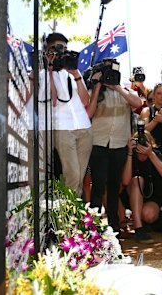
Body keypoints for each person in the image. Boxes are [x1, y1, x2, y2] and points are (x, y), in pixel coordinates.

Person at [86, 60, 143, 231]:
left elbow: (138, 104)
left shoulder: (126, 91)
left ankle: (113, 226)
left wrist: (117, 87)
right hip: (98, 143)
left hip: (119, 144)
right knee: (97, 185)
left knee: (114, 186)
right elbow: (89, 111)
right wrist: (97, 86)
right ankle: (93, 228)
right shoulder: (93, 91)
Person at [39, 32, 92, 195]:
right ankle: (68, 216)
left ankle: (73, 216)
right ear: (48, 51)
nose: (62, 53)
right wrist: (49, 69)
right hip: (63, 128)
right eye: (58, 49)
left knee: (79, 177)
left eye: (65, 49)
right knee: (72, 176)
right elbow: (52, 100)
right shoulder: (43, 75)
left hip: (84, 128)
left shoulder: (74, 71)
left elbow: (85, 101)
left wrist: (76, 74)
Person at [122, 131, 162, 243]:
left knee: (149, 215)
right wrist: (130, 153)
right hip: (133, 193)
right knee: (137, 179)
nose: (142, 144)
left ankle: (142, 220)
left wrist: (150, 154)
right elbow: (125, 182)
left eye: (145, 142)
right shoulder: (130, 155)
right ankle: (139, 228)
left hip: (152, 196)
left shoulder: (155, 154)